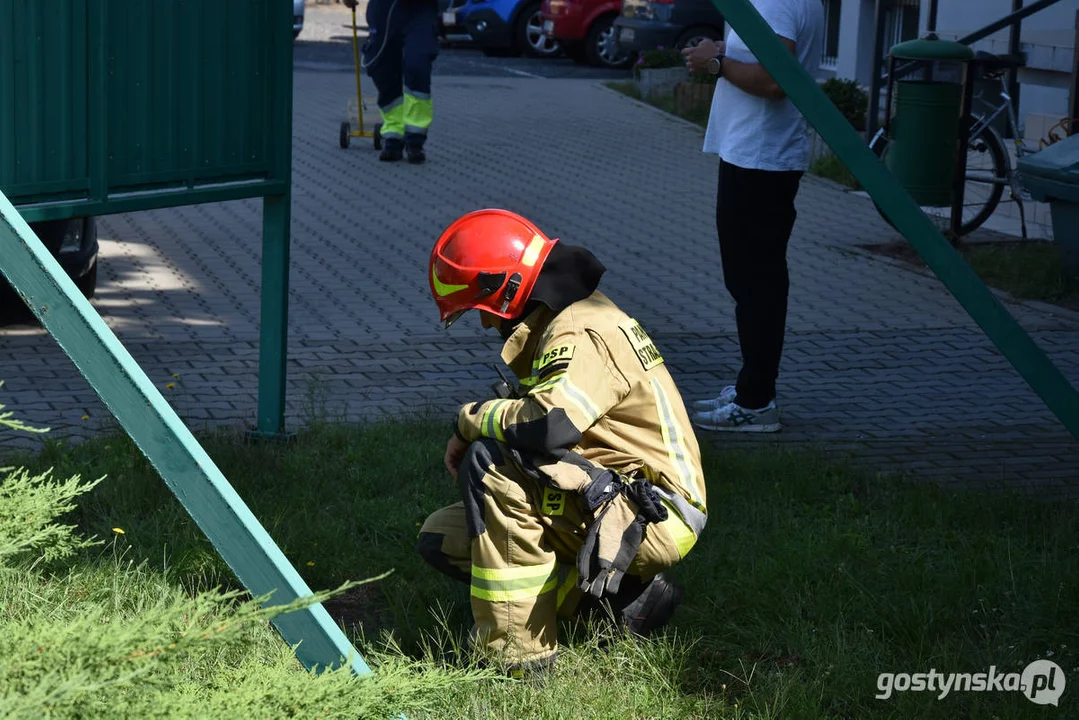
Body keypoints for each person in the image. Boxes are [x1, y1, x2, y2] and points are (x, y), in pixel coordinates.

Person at [416, 209, 708, 675]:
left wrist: (468, 420)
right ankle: (629, 600)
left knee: (491, 465)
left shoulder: (579, 328)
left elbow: (550, 426)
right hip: (622, 499)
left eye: (483, 312)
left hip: (654, 514)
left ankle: (521, 664)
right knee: (443, 538)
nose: (488, 327)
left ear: (506, 291)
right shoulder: (565, 317)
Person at [682, 0, 824, 432]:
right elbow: (772, 55)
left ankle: (756, 402)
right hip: (760, 154)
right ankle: (752, 387)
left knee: (755, 283)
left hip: (760, 156)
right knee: (753, 279)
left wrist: (716, 64)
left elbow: (775, 78)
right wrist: (728, 51)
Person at [343, 0, 438, 163]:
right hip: (383, 8)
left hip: (420, 10)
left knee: (417, 65)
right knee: (383, 70)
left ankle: (415, 139)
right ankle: (393, 136)